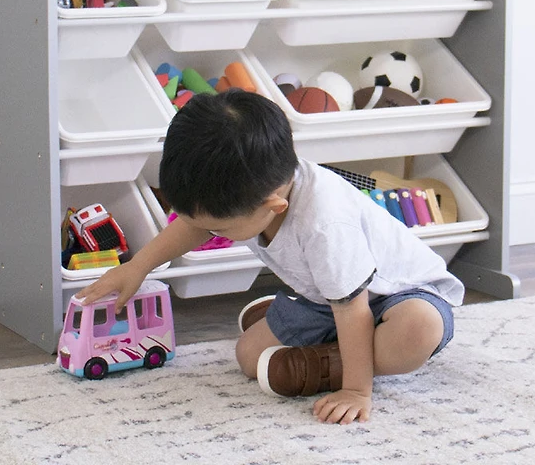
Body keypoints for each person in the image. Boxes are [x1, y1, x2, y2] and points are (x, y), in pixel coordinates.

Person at [76, 90, 463, 425]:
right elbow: (194, 225)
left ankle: (331, 361)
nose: (210, 234)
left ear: (273, 206)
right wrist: (136, 267)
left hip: (399, 295)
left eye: (219, 230)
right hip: (326, 299)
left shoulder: (324, 226)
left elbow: (353, 308)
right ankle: (316, 331)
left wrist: (357, 391)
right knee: (249, 357)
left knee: (414, 335)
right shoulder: (248, 196)